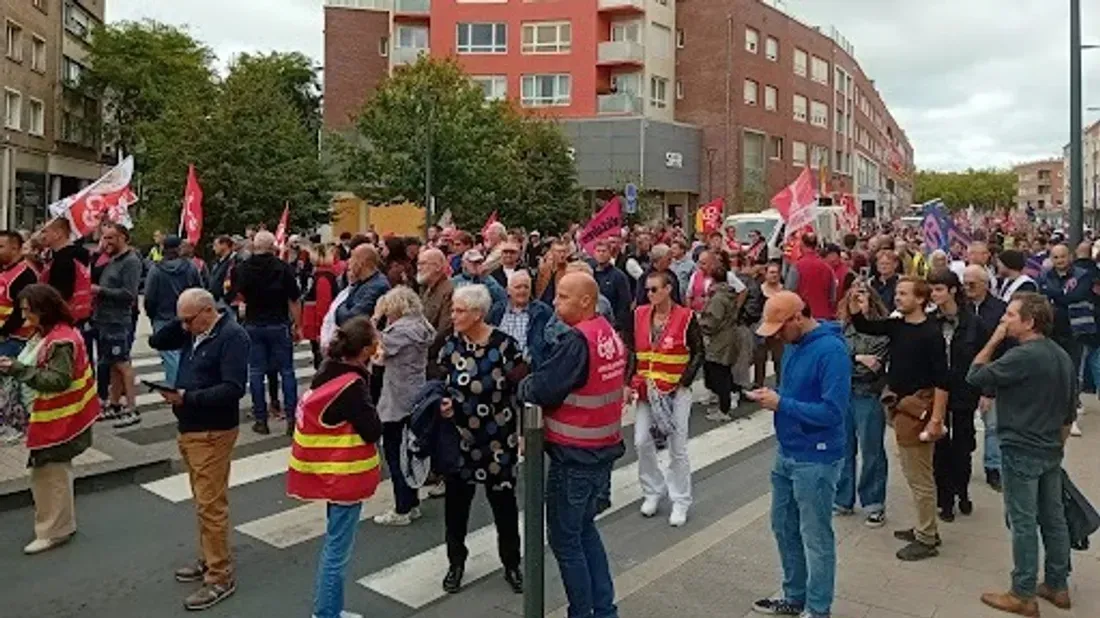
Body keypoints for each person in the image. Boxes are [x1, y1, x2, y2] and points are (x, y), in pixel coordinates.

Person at [519, 271, 626, 618]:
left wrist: (524, 386)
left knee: (566, 541)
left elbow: (544, 389)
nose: (554, 301)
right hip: (601, 451)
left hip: (574, 456)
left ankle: (582, 612)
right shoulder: (606, 332)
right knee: (584, 532)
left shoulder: (578, 341)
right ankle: (604, 609)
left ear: (585, 301)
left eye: (563, 296)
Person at [968, 293, 1075, 617]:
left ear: (1029, 322)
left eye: (1010, 316)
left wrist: (995, 338)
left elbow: (975, 375)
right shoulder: (1061, 356)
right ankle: (1058, 584)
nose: (1004, 320)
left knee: (1023, 520)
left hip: (1020, 447)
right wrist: (1058, 447)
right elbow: (1069, 415)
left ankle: (1023, 591)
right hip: (1050, 448)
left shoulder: (1023, 356)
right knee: (1053, 518)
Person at [746, 291, 850, 618]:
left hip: (816, 457)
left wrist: (782, 403)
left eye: (780, 327)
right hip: (789, 450)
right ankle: (794, 595)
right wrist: (776, 397)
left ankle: (818, 609)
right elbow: (794, 393)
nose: (776, 335)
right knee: (784, 525)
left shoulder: (831, 351)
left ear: (797, 318)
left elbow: (833, 412)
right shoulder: (793, 345)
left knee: (816, 536)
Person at [148, 289, 249, 611]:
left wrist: (186, 398)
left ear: (208, 311)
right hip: (190, 426)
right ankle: (209, 557)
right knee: (203, 500)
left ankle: (220, 575)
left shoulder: (232, 336)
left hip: (212, 430)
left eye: (190, 319)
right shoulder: (193, 331)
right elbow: (157, 342)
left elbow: (233, 389)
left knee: (211, 504)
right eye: (183, 321)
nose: (185, 326)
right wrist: (181, 324)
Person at [287, 317, 383, 618]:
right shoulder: (353, 385)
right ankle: (327, 613)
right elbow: (372, 429)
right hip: (345, 474)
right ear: (366, 350)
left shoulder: (326, 371)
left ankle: (332, 610)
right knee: (337, 551)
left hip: (327, 470)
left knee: (335, 542)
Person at [436, 285, 525, 594]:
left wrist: (525, 433)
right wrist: (442, 405)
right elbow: (438, 384)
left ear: (478, 314)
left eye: (459, 311)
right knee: (456, 508)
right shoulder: (450, 346)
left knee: (504, 505)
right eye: (454, 310)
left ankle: (512, 564)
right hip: (460, 440)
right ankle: (456, 563)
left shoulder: (506, 347)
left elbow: (522, 391)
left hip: (498, 441)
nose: (453, 315)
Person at [852, 277, 949, 561]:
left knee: (919, 476)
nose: (898, 298)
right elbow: (866, 326)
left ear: (920, 299)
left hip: (918, 407)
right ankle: (924, 526)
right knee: (913, 471)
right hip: (902, 407)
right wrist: (859, 306)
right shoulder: (897, 326)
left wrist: (936, 419)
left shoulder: (931, 333)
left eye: (904, 294)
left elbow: (943, 379)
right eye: (897, 293)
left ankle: (927, 537)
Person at [0, 284, 98, 555]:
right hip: (52, 417)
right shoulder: (50, 334)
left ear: (44, 310)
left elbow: (57, 380)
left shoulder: (60, 341)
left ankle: (54, 530)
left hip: (58, 420)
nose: (23, 314)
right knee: (54, 473)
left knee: (49, 474)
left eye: (27, 310)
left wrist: (17, 369)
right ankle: (60, 523)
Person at [630, 270, 704, 526]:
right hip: (647, 389)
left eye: (654, 289)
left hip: (675, 391)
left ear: (668, 289)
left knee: (677, 447)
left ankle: (681, 500)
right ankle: (653, 489)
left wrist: (683, 383)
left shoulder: (685, 317)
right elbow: (632, 350)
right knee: (640, 440)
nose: (649, 294)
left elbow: (698, 351)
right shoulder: (639, 315)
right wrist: (629, 381)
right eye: (647, 290)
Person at [371, 287, 434, 527]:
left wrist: (375, 318)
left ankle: (402, 508)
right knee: (410, 452)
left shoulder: (399, 331)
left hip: (396, 397)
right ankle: (412, 502)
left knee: (395, 454)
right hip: (415, 391)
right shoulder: (421, 325)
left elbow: (374, 341)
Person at [229, 231, 302, 436]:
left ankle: (261, 419)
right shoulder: (283, 268)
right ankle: (291, 419)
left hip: (253, 323)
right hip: (279, 323)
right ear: (273, 247)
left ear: (254, 246)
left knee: (256, 372)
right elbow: (294, 300)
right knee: (287, 371)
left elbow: (237, 294)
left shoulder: (242, 269)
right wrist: (298, 325)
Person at [928, 269, 986, 522]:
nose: (934, 294)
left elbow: (985, 357)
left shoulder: (973, 323)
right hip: (936, 393)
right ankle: (945, 500)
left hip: (964, 392)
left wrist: (986, 391)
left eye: (939, 289)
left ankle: (961, 492)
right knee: (940, 448)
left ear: (952, 290)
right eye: (931, 289)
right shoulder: (930, 322)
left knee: (962, 446)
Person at [833, 283, 890, 528]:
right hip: (844, 393)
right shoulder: (841, 328)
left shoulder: (883, 330)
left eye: (863, 296)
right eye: (853, 297)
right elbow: (836, 357)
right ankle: (842, 499)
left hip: (869, 394)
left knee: (872, 451)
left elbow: (874, 364)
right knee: (843, 449)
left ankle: (874, 502)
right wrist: (856, 357)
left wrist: (852, 359)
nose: (858, 301)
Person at [92, 224, 143, 428]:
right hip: (104, 319)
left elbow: (129, 294)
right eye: (104, 238)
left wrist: (100, 290)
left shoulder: (131, 261)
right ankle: (114, 405)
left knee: (122, 363)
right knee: (112, 362)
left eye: (110, 238)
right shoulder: (112, 258)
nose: (106, 243)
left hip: (117, 320)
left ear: (122, 237)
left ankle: (131, 407)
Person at [1039, 244, 1091, 434]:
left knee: (1072, 372)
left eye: (1062, 256)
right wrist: (1060, 295)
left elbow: (1076, 296)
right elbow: (1042, 295)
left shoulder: (1082, 274)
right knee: (1050, 371)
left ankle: (1071, 415)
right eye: (1055, 257)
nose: (1059, 261)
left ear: (1069, 256)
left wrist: (1056, 295)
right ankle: (1050, 412)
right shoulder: (1045, 275)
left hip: (1075, 330)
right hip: (1051, 329)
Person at [144, 235, 203, 387]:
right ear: (179, 248)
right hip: (188, 316)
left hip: (163, 317)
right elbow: (200, 290)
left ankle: (176, 387)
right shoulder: (191, 267)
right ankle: (188, 384)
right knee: (187, 353)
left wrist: (151, 314)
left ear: (163, 249)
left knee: (169, 355)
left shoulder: (156, 270)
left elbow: (150, 297)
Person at [0, 231, 40, 444]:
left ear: (15, 248)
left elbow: (19, 311)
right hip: (6, 337)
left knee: (11, 385)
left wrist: (3, 332)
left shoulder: (25, 275)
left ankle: (15, 425)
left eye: (1, 247)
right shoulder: (5, 270)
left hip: (15, 338)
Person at [700, 254, 746, 422]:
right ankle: (723, 405)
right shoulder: (728, 294)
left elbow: (712, 320)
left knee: (719, 373)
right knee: (723, 372)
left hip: (719, 340)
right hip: (727, 337)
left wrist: (701, 323)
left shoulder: (718, 299)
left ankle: (723, 408)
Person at [487, 271, 553, 367]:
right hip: (499, 366)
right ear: (508, 290)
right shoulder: (497, 310)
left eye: (526, 287)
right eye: (518, 287)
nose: (522, 290)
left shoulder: (543, 312)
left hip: (531, 369)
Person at [302, 244, 342, 370]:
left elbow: (323, 307)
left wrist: (322, 331)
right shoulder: (323, 275)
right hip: (317, 324)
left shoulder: (322, 277)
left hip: (316, 325)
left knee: (321, 361)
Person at [417, 248, 454, 381]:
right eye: (418, 264)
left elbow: (444, 330)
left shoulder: (449, 291)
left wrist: (421, 351)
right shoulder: (425, 289)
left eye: (423, 264)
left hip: (434, 360)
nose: (419, 268)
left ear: (438, 267)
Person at [335, 244, 391, 327]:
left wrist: (340, 307)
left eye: (352, 258)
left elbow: (349, 319)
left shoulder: (377, 286)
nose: (349, 262)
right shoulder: (362, 282)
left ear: (362, 262)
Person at [786, 234, 837, 319]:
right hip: (825, 316)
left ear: (801, 244)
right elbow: (833, 296)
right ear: (816, 245)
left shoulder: (797, 266)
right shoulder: (827, 267)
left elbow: (789, 293)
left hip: (804, 317)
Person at [753, 261, 786, 389]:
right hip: (762, 329)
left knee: (779, 359)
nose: (774, 275)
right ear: (765, 274)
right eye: (771, 272)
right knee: (759, 359)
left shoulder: (784, 290)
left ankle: (780, 385)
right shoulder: (759, 289)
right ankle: (758, 384)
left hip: (779, 331)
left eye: (777, 273)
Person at [592, 239, 632, 335]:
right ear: (594, 253)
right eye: (598, 251)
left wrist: (617, 326)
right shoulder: (590, 274)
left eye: (604, 251)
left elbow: (624, 302)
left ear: (610, 253)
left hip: (612, 324)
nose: (601, 254)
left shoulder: (619, 276)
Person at [207, 235, 236, 313]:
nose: (214, 248)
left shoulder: (234, 261)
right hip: (216, 301)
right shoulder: (217, 263)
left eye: (216, 245)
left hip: (226, 303)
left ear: (224, 245)